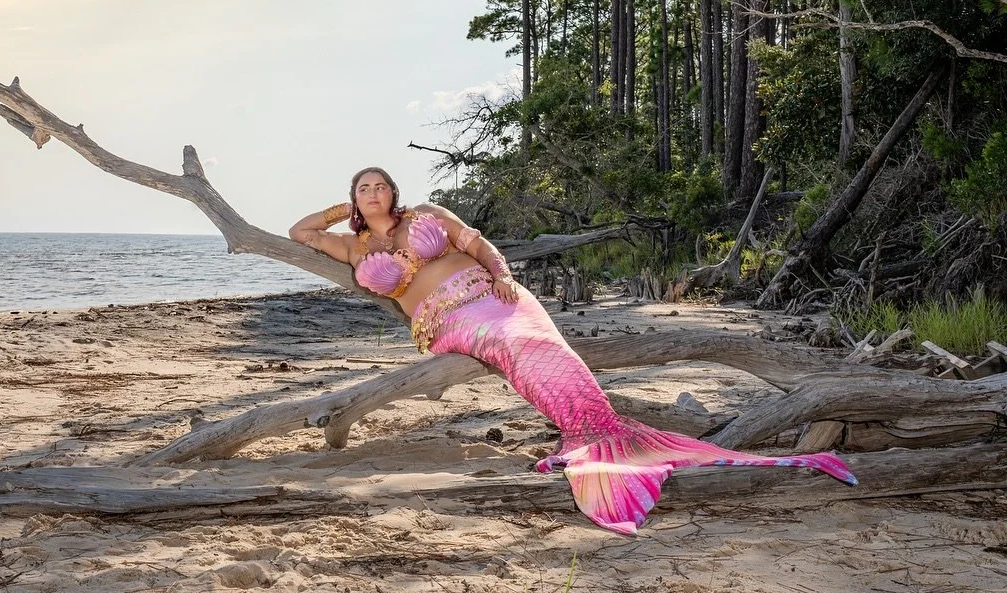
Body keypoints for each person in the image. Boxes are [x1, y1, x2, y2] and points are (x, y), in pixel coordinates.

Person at [289, 166, 856, 534]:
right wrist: (347, 210)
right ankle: (594, 435)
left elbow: (478, 244)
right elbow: (300, 233)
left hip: (493, 294)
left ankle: (595, 430)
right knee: (505, 344)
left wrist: (503, 275)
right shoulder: (353, 245)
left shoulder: (428, 215)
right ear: (354, 199)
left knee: (533, 342)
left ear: (395, 190)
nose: (374, 193)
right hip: (448, 324)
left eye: (380, 185)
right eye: (363, 188)